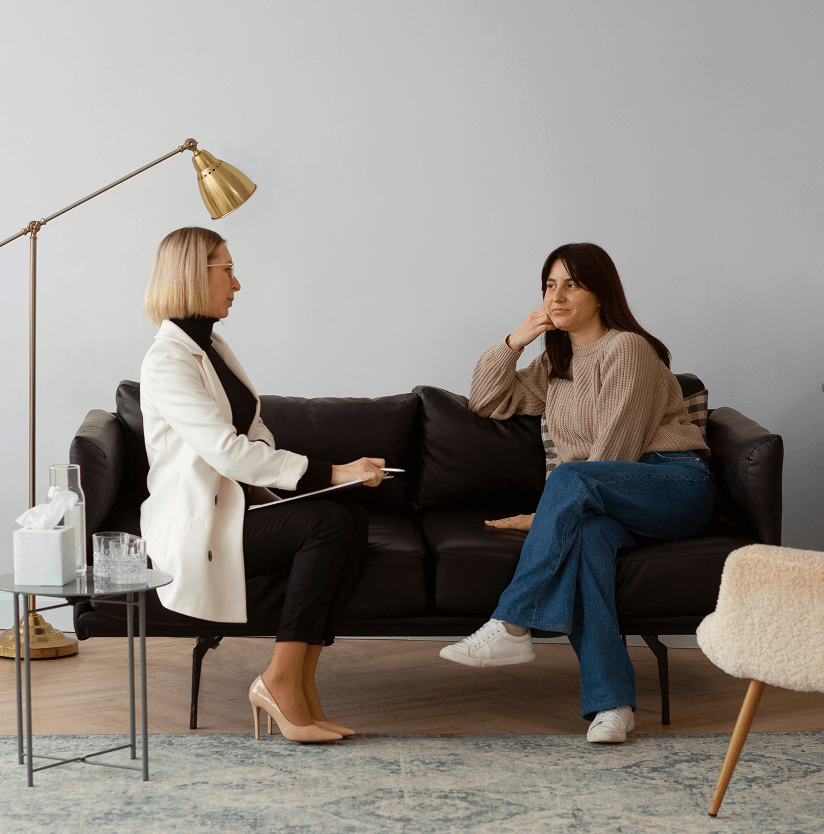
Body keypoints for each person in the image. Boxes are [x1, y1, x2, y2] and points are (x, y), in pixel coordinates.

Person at [439, 242, 717, 743]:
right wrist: (516, 339)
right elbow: (484, 402)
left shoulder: (628, 348)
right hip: (607, 496)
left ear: (601, 292)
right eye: (550, 285)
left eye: (573, 284)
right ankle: (613, 706)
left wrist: (549, 509)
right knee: (587, 543)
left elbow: (617, 450)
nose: (558, 297)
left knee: (570, 478)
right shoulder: (557, 365)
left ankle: (513, 622)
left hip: (672, 484)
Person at [141, 227, 386, 743]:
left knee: (351, 518)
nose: (236, 283)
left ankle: (298, 682)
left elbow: (253, 431)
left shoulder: (212, 346)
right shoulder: (166, 361)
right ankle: (279, 680)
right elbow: (226, 451)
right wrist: (332, 473)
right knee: (328, 520)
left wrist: (313, 480)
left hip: (237, 512)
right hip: (201, 528)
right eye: (226, 270)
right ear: (193, 273)